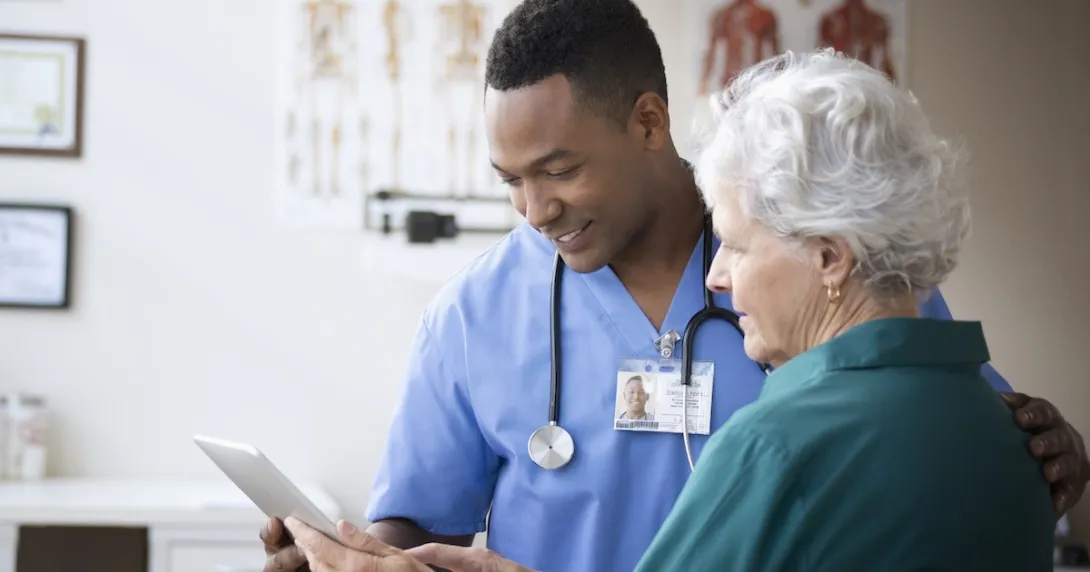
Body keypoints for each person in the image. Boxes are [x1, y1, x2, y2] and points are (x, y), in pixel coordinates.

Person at [263, 1, 1090, 571]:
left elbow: (950, 446)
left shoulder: (822, 261)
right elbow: (415, 526)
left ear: (650, 123)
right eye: (510, 180)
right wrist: (349, 554)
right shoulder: (475, 316)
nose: (534, 209)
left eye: (559, 169)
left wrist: (1051, 449)